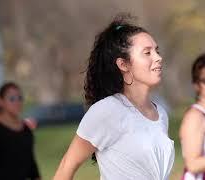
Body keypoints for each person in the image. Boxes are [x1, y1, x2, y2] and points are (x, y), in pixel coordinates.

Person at [53, 14, 175, 180]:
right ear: (123, 64)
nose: (158, 58)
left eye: (157, 51)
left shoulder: (160, 113)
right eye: (147, 53)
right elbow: (67, 166)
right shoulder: (108, 110)